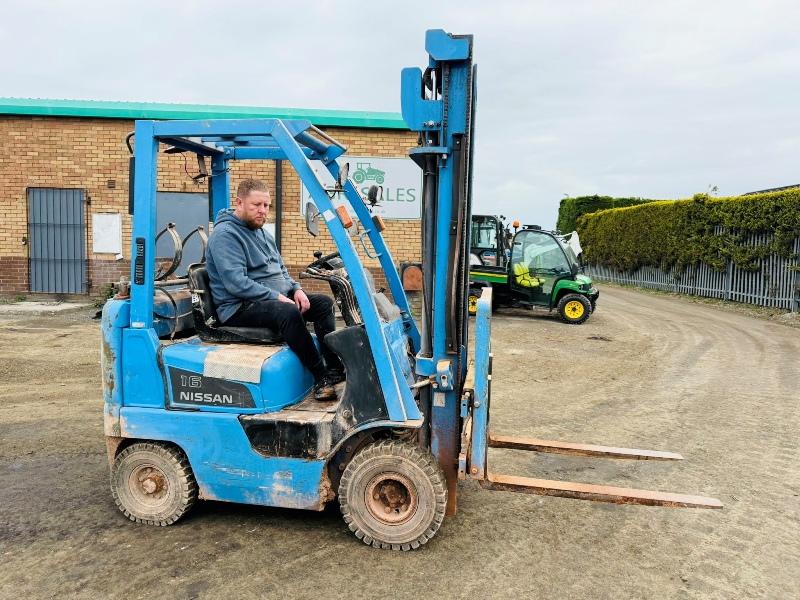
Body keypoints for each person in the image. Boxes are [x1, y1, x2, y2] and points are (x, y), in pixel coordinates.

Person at [206, 178, 344, 401]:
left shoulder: (261, 232)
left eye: (266, 206)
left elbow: (281, 269)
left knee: (322, 304)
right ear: (239, 202)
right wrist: (278, 297)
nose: (263, 211)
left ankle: (335, 369)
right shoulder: (226, 236)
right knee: (287, 312)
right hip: (238, 308)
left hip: (267, 301)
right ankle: (321, 376)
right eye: (256, 205)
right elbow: (236, 283)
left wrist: (296, 289)